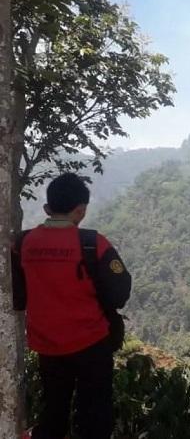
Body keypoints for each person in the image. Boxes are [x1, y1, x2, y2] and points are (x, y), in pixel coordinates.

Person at [12, 173, 132, 439]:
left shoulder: (23, 244)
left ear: (47, 208)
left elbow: (17, 297)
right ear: (81, 210)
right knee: (95, 413)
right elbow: (120, 293)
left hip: (47, 346)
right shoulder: (92, 243)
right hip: (91, 343)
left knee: (54, 409)